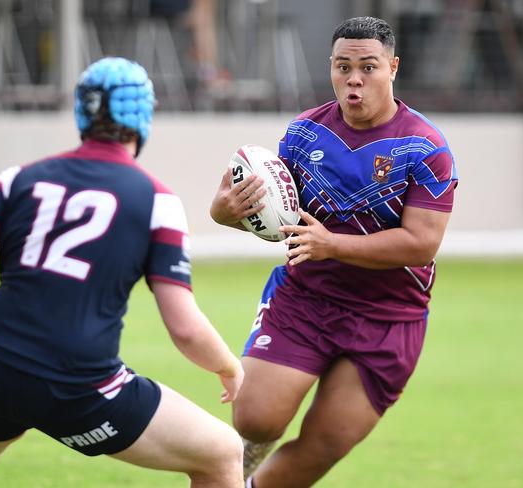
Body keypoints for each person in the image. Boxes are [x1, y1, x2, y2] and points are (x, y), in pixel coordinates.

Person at [210, 16, 458, 488]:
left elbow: (422, 243)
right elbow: (276, 215)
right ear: (331, 68)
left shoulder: (425, 147)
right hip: (307, 299)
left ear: (393, 67)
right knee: (255, 420)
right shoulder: (304, 133)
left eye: (368, 67)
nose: (354, 79)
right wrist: (226, 212)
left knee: (323, 446)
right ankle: (247, 453)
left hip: (389, 318)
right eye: (343, 67)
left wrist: (332, 245)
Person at [0, 57, 244, 487]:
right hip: (76, 383)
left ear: (81, 112)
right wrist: (229, 366)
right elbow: (184, 327)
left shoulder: (18, 179)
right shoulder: (156, 200)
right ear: (142, 116)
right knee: (222, 453)